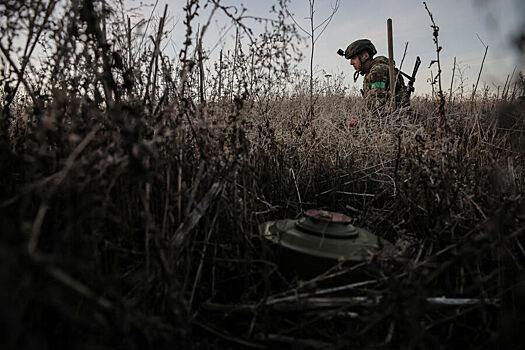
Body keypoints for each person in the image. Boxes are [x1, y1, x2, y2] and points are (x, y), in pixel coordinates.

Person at [341, 39, 410, 113]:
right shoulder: (371, 72)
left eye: (353, 58)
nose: (351, 63)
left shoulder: (378, 71)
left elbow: (376, 106)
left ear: (366, 56)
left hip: (396, 121)